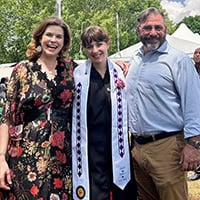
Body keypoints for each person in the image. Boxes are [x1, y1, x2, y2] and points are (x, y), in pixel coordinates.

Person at [126, 7, 200, 200]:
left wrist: (194, 145)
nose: (153, 32)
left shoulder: (178, 60)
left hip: (167, 148)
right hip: (137, 148)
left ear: (165, 28)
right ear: (138, 29)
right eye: (147, 27)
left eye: (158, 27)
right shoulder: (134, 60)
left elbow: (194, 103)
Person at [0, 16, 77, 199]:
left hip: (64, 154)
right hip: (26, 152)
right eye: (49, 35)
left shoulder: (73, 69)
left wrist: (118, 67)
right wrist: (1, 158)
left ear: (64, 42)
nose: (53, 40)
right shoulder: (22, 70)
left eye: (59, 37)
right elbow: (6, 117)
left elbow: (98, 70)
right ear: (40, 38)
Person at [72, 25, 137, 200]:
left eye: (99, 44)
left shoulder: (122, 74)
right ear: (84, 49)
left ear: (107, 43)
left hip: (119, 146)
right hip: (90, 151)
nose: (95, 51)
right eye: (89, 46)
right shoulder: (77, 75)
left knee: (123, 194)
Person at [187, 47, 200, 181]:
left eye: (199, 53)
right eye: (195, 53)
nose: (197, 55)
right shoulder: (190, 71)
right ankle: (198, 169)